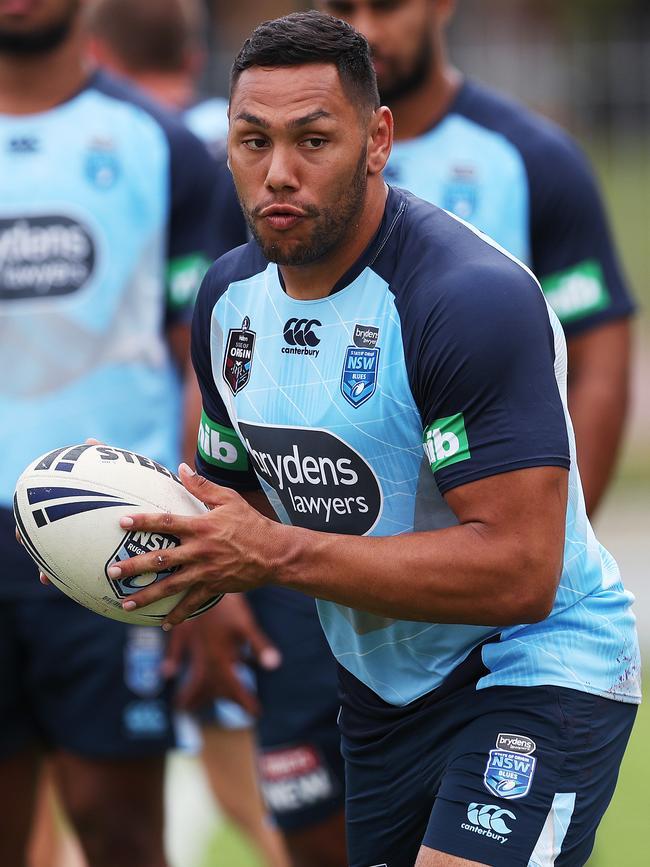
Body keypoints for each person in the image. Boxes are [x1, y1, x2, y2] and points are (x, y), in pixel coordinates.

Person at [103, 11, 641, 867]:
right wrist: (176, 570)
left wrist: (270, 553)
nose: (279, 172)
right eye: (253, 141)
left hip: (536, 667)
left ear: (377, 138)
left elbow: (522, 570)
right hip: (383, 686)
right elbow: (227, 492)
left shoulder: (466, 299)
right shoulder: (227, 301)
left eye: (313, 140)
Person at [87, 4, 347, 866]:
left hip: (175, 511)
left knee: (261, 783)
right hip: (246, 503)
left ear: (96, 56)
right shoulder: (256, 150)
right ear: (196, 55)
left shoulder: (156, 153)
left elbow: (203, 359)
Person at [0, 0, 225, 865]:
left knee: (117, 823)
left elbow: (205, 364)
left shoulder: (159, 146)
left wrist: (203, 539)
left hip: (116, 537)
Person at [316, 0, 635, 519]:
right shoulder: (276, 171)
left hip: (490, 536)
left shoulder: (533, 161)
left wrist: (552, 542)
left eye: (388, 6)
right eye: (342, 8)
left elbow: (598, 367)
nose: (365, 30)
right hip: (319, 541)